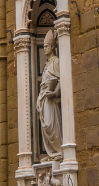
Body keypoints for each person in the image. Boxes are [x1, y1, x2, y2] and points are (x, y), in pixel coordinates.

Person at [36, 29, 62, 159]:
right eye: (44, 46)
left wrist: (55, 92)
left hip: (51, 99)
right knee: (45, 125)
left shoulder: (56, 61)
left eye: (46, 46)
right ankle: (52, 153)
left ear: (52, 47)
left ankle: (59, 151)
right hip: (44, 98)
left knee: (51, 125)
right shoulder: (47, 63)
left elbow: (61, 79)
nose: (44, 48)